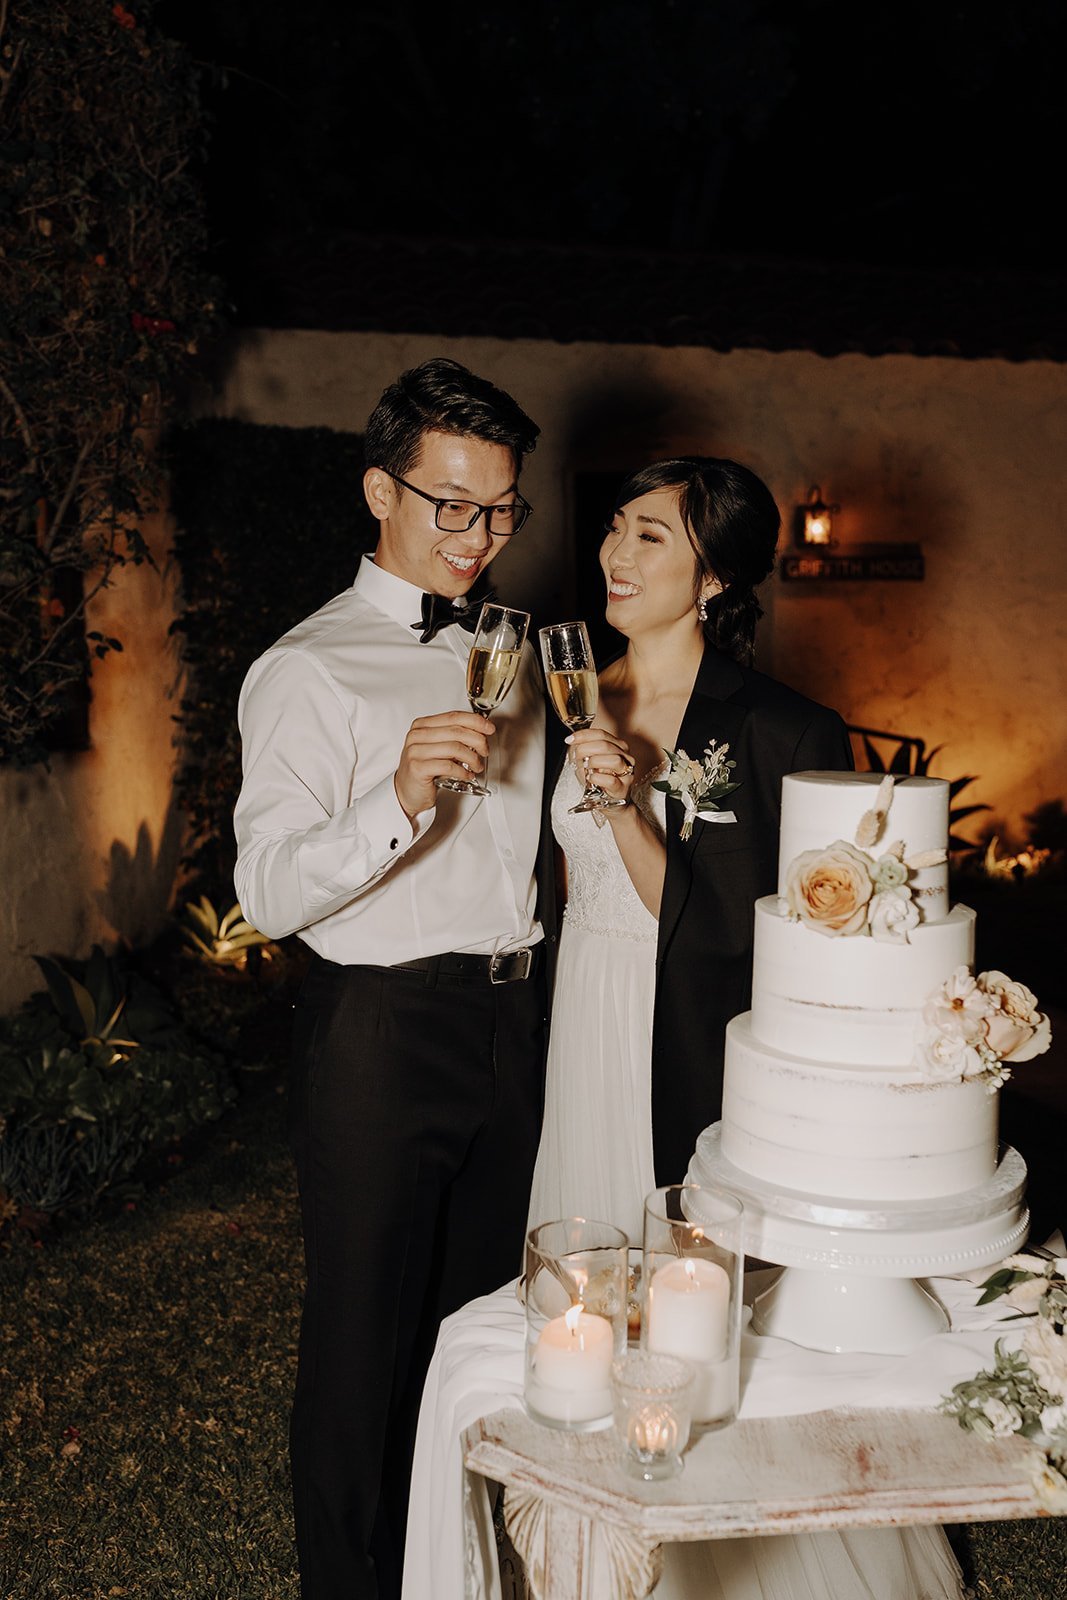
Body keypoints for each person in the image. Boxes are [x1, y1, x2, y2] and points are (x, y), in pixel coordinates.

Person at [527, 455, 965, 1597]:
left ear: (714, 574)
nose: (616, 556)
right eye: (615, 529)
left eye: (651, 539)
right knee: (588, 1294)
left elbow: (764, 932)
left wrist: (627, 806)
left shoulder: (780, 725)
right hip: (583, 1021)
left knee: (704, 1311)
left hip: (695, 1045)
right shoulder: (565, 695)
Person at [233, 358, 546, 1600]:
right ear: (379, 488)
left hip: (513, 1018)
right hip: (377, 1029)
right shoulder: (305, 668)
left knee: (479, 1330)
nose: (478, 538)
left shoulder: (517, 646)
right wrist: (397, 797)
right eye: (450, 505)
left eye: (503, 508)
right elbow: (266, 891)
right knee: (362, 1341)